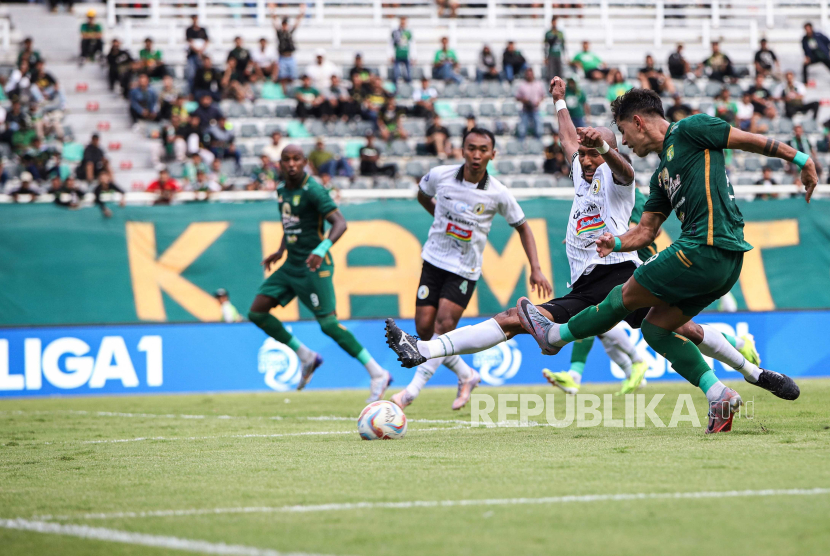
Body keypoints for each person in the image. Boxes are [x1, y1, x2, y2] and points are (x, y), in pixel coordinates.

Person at [387, 84, 798, 423]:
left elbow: (625, 169)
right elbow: (569, 138)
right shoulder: (581, 174)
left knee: (677, 329)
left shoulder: (616, 176)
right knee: (524, 319)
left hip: (619, 272)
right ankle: (421, 348)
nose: (585, 160)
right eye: (582, 155)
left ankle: (753, 372)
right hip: (587, 283)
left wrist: (603, 147)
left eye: (592, 153)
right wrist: (560, 101)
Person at [516, 88, 813, 433]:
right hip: (726, 265)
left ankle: (555, 336)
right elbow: (645, 231)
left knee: (621, 297)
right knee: (656, 329)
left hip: (704, 247)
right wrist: (615, 241)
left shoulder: (690, 129)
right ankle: (720, 395)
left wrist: (802, 160)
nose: (625, 141)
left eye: (624, 132)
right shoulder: (661, 176)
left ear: (638, 123)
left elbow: (749, 141)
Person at [385, 127, 552, 410]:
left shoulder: (498, 193)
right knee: (425, 332)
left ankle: (409, 393)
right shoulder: (441, 175)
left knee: (443, 327)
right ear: (462, 150)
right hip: (434, 261)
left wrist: (535, 268)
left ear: (492, 154)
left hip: (464, 269)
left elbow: (523, 227)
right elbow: (422, 195)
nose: (476, 155)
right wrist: (439, 214)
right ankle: (467, 374)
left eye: (483, 150)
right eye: (471, 148)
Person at [249, 145, 392, 400]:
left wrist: (320, 248)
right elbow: (292, 224)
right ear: (279, 164)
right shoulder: (282, 190)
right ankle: (306, 356)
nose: (291, 164)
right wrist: (281, 250)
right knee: (257, 312)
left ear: (305, 162)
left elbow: (340, 223)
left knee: (328, 325)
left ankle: (378, 373)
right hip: (291, 264)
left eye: (296, 159)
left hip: (315, 267)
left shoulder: (313, 190)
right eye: (286, 160)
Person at [275, 5, 306, 88]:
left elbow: (296, 23)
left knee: (292, 76)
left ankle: (291, 91)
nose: (285, 26)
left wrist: (301, 13)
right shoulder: (280, 33)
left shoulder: (290, 33)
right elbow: (274, 22)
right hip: (282, 57)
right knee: (283, 77)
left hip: (290, 57)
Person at [515, 67, 545, 140]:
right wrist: (523, 100)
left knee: (538, 128)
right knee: (522, 129)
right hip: (525, 109)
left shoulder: (538, 84)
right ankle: (521, 145)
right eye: (528, 74)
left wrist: (538, 101)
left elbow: (543, 95)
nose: (529, 76)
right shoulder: (522, 85)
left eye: (530, 74)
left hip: (535, 109)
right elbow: (517, 97)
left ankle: (538, 144)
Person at [185, 15, 209, 87]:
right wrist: (197, 50)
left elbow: (206, 41)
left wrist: (201, 50)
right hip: (192, 55)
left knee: (202, 73)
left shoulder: (202, 30)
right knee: (191, 74)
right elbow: (190, 42)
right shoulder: (189, 30)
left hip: (201, 55)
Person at [390, 17, 415, 83]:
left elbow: (412, 44)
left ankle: (409, 88)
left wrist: (413, 56)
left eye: (404, 22)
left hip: (406, 55)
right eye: (402, 22)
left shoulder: (408, 32)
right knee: (396, 75)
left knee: (409, 75)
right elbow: (391, 44)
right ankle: (396, 89)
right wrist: (390, 55)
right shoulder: (395, 32)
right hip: (397, 55)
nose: (403, 24)